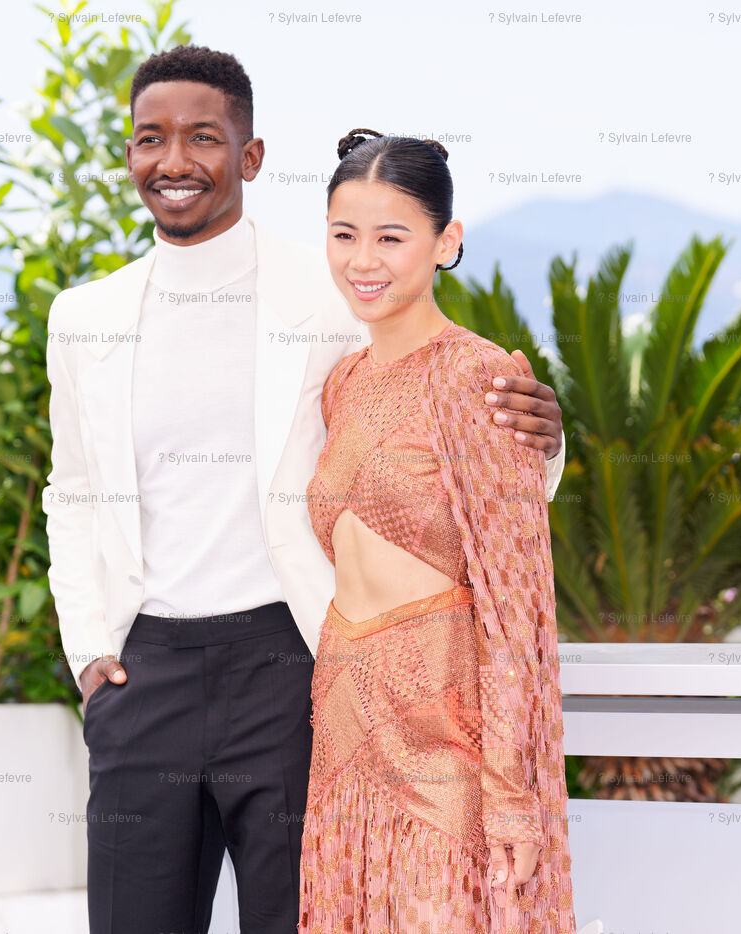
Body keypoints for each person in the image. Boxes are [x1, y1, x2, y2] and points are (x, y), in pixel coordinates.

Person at [41, 46, 567, 934]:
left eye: (204, 137)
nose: (174, 160)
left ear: (250, 156)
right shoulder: (83, 317)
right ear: (128, 154)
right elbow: (73, 492)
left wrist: (545, 440)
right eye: (150, 138)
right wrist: (89, 647)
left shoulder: (331, 297)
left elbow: (455, 440)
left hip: (290, 668)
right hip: (143, 672)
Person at [297, 129, 576, 933]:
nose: (363, 260)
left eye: (392, 237)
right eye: (345, 235)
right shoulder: (343, 383)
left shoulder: (478, 376)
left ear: (446, 242)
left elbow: (513, 602)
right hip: (344, 717)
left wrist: (512, 794)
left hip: (443, 733)